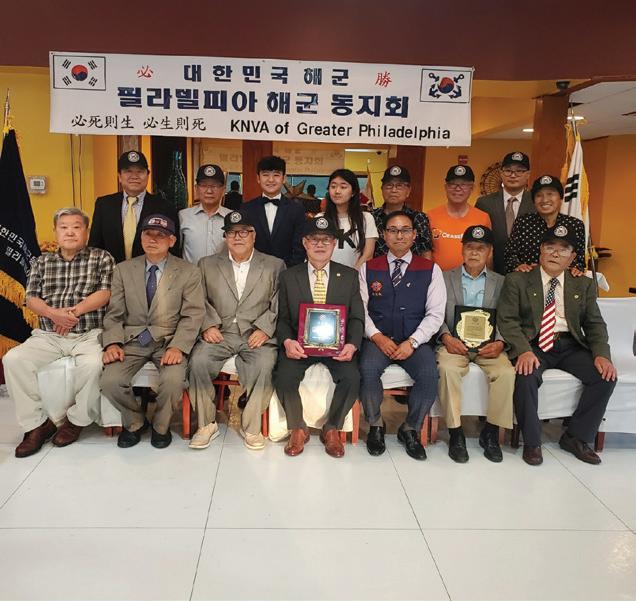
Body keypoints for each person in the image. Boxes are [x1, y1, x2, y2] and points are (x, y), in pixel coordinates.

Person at [497, 225, 617, 466]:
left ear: (572, 257)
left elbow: (594, 324)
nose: (555, 253)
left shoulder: (582, 284)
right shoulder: (518, 279)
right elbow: (507, 321)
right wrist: (523, 350)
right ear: (541, 250)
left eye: (563, 249)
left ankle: (576, 437)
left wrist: (602, 355)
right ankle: (532, 442)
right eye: (550, 247)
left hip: (570, 344)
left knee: (604, 377)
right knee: (526, 375)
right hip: (534, 344)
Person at [4, 208, 114, 457]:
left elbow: (105, 293)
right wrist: (54, 314)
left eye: (76, 227)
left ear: (86, 231)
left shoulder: (102, 257)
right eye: (64, 227)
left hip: (88, 333)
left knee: (94, 365)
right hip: (49, 334)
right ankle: (36, 425)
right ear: (55, 231)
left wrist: (72, 313)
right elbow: (31, 299)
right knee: (13, 359)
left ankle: (75, 420)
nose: (70, 232)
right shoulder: (41, 262)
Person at [100, 214, 204, 449]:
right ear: (141, 237)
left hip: (169, 341)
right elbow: (114, 313)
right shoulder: (123, 270)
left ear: (172, 241)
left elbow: (193, 314)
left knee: (173, 381)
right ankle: (135, 422)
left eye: (161, 235)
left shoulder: (188, 272)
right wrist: (112, 343)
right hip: (132, 340)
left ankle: (160, 426)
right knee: (110, 381)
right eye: (148, 234)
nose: (153, 239)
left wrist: (178, 346)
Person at [188, 211, 285, 450]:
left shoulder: (274, 265)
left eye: (244, 232)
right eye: (232, 233)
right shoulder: (207, 264)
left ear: (253, 235)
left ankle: (251, 427)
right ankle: (206, 424)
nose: (238, 237)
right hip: (220, 332)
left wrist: (265, 329)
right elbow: (198, 299)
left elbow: (279, 302)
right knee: (198, 361)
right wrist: (208, 325)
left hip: (256, 333)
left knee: (265, 364)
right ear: (225, 237)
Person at [273, 217, 364, 458]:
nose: (320, 244)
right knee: (283, 375)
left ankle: (332, 428)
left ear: (334, 243)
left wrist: (352, 345)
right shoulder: (289, 276)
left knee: (353, 377)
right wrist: (287, 342)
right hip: (300, 346)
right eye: (314, 239)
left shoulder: (349, 276)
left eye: (326, 239)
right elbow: (282, 319)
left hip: (337, 348)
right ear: (305, 243)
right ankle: (298, 427)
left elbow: (357, 318)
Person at [359, 211, 445, 460]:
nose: (399, 236)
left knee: (429, 374)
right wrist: (377, 336)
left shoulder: (431, 269)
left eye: (405, 230)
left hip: (414, 340)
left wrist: (413, 341)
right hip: (378, 339)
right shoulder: (368, 268)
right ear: (384, 235)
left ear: (414, 234)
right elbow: (360, 310)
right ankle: (376, 424)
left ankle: (410, 428)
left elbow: (436, 314)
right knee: (367, 370)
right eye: (393, 230)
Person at [436, 225, 515, 463]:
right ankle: (455, 432)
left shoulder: (502, 282)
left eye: (481, 248)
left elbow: (508, 317)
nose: (474, 252)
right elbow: (434, 313)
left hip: (488, 347)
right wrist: (446, 337)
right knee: (447, 369)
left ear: (489, 252)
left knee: (506, 373)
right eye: (470, 247)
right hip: (454, 344)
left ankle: (490, 433)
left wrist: (500, 342)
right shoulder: (443, 278)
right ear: (462, 250)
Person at [88, 150, 180, 263]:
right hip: (111, 271)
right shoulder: (104, 205)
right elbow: (95, 247)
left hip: (152, 272)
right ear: (119, 176)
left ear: (147, 175)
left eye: (140, 171)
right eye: (128, 171)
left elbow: (173, 249)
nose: (134, 176)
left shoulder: (165, 207)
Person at [504, 175, 585, 274]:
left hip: (561, 280)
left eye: (550, 194)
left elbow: (579, 262)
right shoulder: (522, 222)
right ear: (533, 201)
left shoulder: (575, 225)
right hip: (528, 279)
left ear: (560, 198)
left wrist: (575, 269)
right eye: (539, 195)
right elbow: (510, 257)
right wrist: (519, 266)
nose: (545, 200)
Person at [475, 152, 535, 275]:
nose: (513, 175)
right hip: (492, 271)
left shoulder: (535, 203)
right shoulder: (484, 203)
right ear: (501, 173)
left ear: (528, 174)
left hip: (527, 273)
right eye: (508, 171)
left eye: (519, 171)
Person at [240, 155, 306, 266]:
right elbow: (243, 243)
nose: (271, 180)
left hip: (287, 271)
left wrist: (289, 271)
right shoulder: (246, 209)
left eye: (276, 175)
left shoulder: (296, 209)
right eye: (265, 175)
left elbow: (300, 246)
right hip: (253, 270)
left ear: (284, 178)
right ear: (258, 178)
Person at [427, 165, 492, 271]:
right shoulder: (430, 216)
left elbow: (489, 254)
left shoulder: (483, 218)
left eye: (463, 184)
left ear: (472, 188)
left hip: (472, 278)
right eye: (453, 184)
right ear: (446, 187)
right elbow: (426, 253)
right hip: (438, 278)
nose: (457, 189)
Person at [321, 168, 378, 269]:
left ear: (353, 192)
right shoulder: (320, 219)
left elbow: (368, 255)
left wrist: (351, 276)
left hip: (355, 276)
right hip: (324, 276)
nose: (337, 191)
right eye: (333, 186)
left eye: (343, 187)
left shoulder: (366, 218)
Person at [372, 165, 433, 258]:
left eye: (399, 186)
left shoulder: (419, 217)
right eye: (389, 185)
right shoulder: (371, 217)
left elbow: (426, 251)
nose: (393, 190)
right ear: (382, 189)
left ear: (408, 191)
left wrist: (427, 267)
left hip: (413, 267)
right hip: (377, 267)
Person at [179, 164, 231, 264]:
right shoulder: (183, 216)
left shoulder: (231, 217)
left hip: (223, 274)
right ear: (196, 188)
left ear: (223, 190)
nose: (209, 191)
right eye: (204, 185)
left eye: (214, 186)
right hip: (191, 273)